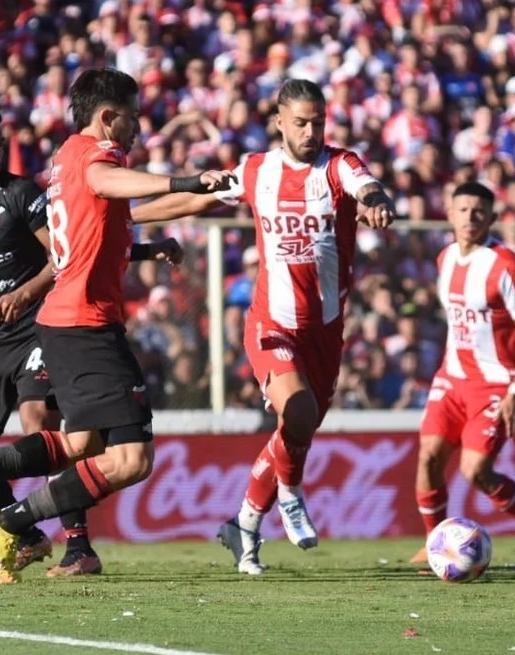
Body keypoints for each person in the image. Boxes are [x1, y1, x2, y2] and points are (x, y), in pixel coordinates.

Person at [0, 68, 229, 583]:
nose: (138, 129)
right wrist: (186, 180)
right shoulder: (94, 158)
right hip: (83, 322)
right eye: (131, 118)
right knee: (131, 459)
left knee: (80, 444)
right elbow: (109, 183)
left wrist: (221, 190)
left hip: (61, 322)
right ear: (108, 118)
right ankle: (11, 520)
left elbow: (125, 216)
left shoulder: (64, 158)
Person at [129, 78, 397, 574]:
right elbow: (197, 200)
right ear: (279, 122)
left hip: (325, 330)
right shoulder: (257, 170)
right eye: (301, 122)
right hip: (271, 323)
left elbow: (368, 186)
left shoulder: (340, 165)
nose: (311, 131)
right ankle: (292, 495)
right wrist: (126, 218)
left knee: (293, 431)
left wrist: (378, 201)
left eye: (318, 122)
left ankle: (245, 525)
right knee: (296, 411)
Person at [408, 181, 515, 566]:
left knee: (474, 469)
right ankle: (436, 545)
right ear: (449, 213)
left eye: (479, 211)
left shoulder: (506, 266)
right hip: (452, 378)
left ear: (492, 218)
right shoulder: (445, 259)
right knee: (428, 457)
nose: (470, 217)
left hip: (495, 384)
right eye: (462, 209)